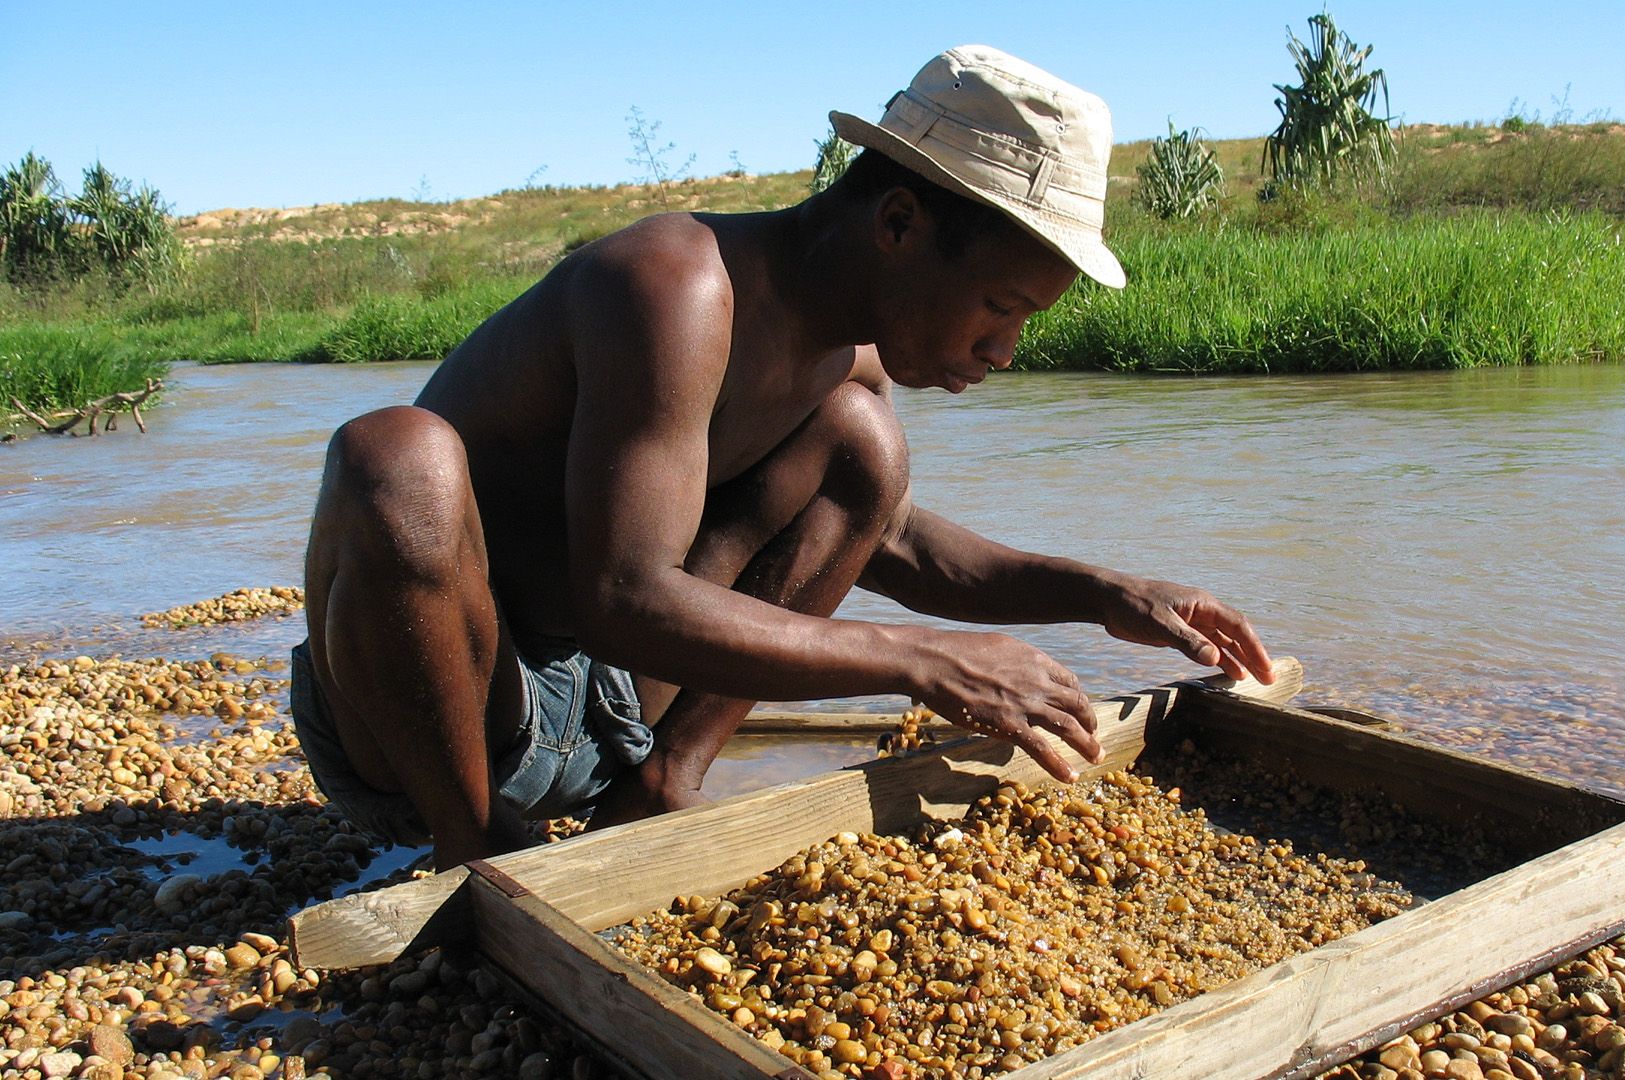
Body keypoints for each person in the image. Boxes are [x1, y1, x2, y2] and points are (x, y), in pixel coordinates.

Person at [292, 46, 1278, 870]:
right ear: (898, 223)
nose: (1003, 351)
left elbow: (900, 549)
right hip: (446, 713)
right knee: (398, 458)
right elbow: (622, 594)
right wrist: (921, 663)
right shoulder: (674, 291)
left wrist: (1109, 593)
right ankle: (475, 847)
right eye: (1001, 306)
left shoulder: (849, 368)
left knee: (866, 446)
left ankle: (659, 783)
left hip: (611, 714)